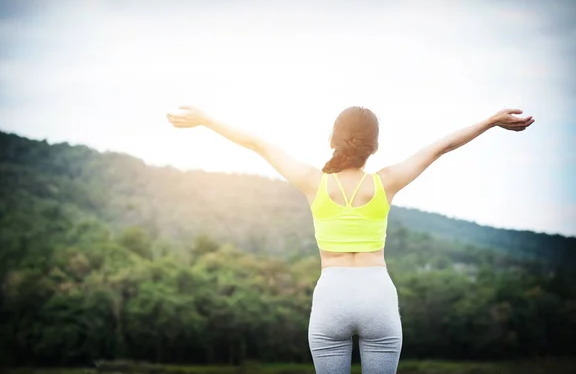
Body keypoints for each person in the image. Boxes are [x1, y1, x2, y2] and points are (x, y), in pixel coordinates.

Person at [166, 106, 534, 374]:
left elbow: (257, 144)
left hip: (332, 297)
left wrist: (206, 119)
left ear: (332, 141)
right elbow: (441, 147)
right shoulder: (385, 182)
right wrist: (490, 121)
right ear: (374, 146)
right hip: (378, 296)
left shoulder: (314, 182)